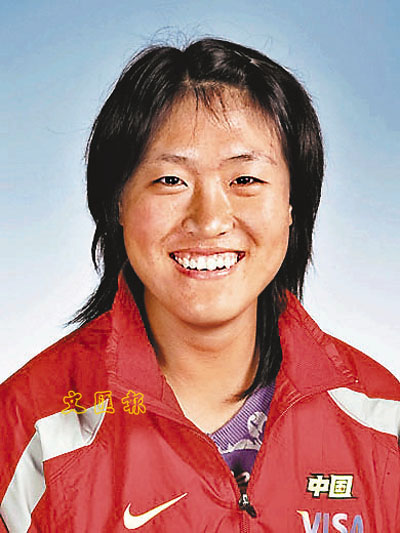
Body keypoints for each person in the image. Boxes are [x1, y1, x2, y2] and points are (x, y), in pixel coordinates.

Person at [1, 38, 399, 533]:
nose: (209, 220)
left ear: (293, 204)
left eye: (245, 180)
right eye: (171, 180)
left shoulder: (382, 420)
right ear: (117, 203)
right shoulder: (30, 432)